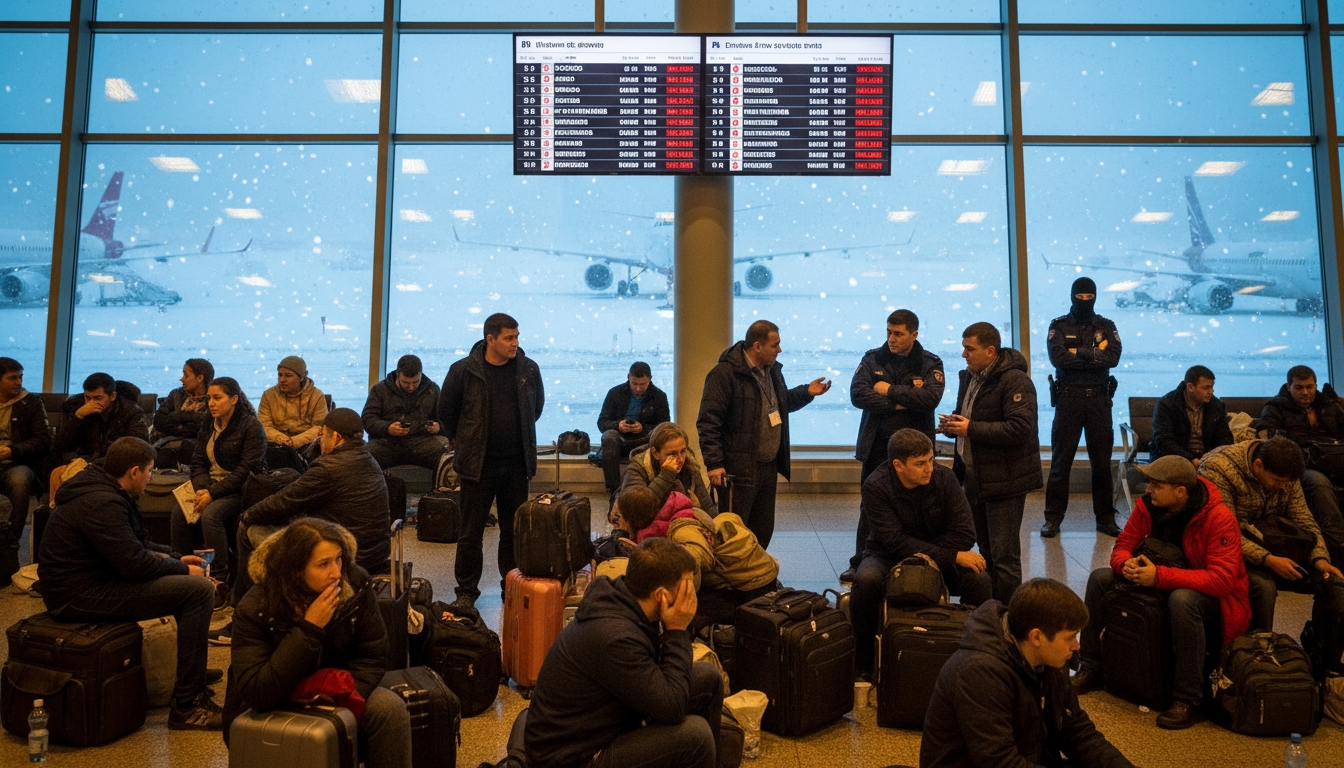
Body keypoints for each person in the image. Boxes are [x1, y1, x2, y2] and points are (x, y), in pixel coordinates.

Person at [37, 436, 223, 730]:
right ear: (134, 471)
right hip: (77, 594)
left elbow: (136, 544)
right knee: (197, 591)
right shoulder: (102, 502)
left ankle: (190, 672)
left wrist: (176, 557)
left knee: (184, 582)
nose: (150, 477)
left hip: (93, 581)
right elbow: (134, 563)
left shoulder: (105, 489)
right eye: (149, 471)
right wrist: (182, 569)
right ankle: (188, 705)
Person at [1073, 455, 1250, 730]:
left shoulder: (1218, 517)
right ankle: (1090, 668)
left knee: (1182, 600)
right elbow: (1124, 544)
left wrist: (1159, 577)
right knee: (1100, 578)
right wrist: (1125, 564)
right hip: (1160, 579)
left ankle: (1188, 698)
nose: (1148, 489)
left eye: (1157, 485)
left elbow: (1221, 580)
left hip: (1209, 595)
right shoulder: (1148, 506)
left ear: (1180, 491)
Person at [222, 517, 410, 768]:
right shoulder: (255, 607)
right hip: (272, 702)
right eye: (323, 564)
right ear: (296, 570)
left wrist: (340, 695)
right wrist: (309, 629)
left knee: (389, 709)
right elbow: (257, 691)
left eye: (338, 559)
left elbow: (373, 655)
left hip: (339, 690)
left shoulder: (355, 583)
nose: (336, 573)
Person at [525, 537, 723, 768]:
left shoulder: (625, 600)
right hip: (574, 756)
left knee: (708, 679)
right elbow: (673, 707)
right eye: (686, 589)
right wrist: (677, 630)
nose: (690, 598)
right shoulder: (615, 637)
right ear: (661, 596)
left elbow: (661, 677)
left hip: (605, 724)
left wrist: (675, 629)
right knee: (696, 736)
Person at [919, 578, 1135, 768]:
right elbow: (999, 762)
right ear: (1036, 637)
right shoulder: (979, 673)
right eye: (1070, 637)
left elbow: (1078, 732)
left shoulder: (1049, 660)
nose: (1076, 646)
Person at [851, 429, 992, 677]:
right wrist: (951, 556)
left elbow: (966, 534)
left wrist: (941, 556)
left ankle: (973, 656)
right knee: (865, 581)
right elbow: (894, 542)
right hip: (888, 555)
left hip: (940, 551)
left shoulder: (944, 478)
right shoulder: (875, 486)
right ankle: (864, 664)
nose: (929, 468)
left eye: (931, 460)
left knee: (979, 579)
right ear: (898, 465)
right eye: (920, 464)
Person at [230, 407, 390, 625]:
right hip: (374, 552)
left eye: (323, 434)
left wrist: (247, 514)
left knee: (250, 529)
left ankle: (245, 611)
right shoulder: (369, 459)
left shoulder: (329, 468)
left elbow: (284, 501)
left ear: (336, 437)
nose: (320, 439)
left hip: (348, 554)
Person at [437, 312, 544, 608]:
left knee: (513, 531)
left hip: (516, 465)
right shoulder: (464, 371)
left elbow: (535, 408)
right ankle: (466, 592)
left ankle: (510, 585)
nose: (515, 343)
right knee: (470, 533)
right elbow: (446, 412)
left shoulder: (528, 369)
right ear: (490, 339)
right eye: (509, 338)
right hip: (477, 466)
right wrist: (466, 438)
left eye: (517, 337)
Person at [696, 319, 831, 548]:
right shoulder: (725, 374)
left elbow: (781, 404)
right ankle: (734, 570)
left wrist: (807, 392)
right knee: (735, 532)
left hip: (768, 467)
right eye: (774, 345)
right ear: (757, 346)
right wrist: (714, 463)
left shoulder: (772, 371)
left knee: (763, 529)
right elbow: (708, 421)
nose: (779, 350)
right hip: (738, 470)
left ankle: (756, 567)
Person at [1198, 436, 1344, 634]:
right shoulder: (1217, 469)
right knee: (1263, 587)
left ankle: (1322, 650)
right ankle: (1257, 648)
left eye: (1287, 482)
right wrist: (1268, 560)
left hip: (1275, 544)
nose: (1283, 486)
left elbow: (1304, 519)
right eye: (1278, 481)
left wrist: (1319, 558)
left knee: (1332, 580)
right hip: (1233, 552)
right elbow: (1224, 534)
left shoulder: (1284, 472)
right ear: (1258, 465)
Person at [941, 322, 1042, 603]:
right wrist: (954, 425)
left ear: (990, 351)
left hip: (1005, 482)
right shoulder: (970, 377)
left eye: (969, 349)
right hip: (976, 480)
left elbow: (1020, 429)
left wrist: (969, 428)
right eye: (963, 348)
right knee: (986, 552)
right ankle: (990, 611)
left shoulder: (1016, 381)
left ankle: (1007, 615)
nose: (964, 354)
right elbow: (971, 417)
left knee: (1004, 558)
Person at [844, 309, 946, 582]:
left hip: (915, 450)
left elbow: (930, 399)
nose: (892, 338)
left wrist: (887, 390)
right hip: (878, 446)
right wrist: (899, 404)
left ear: (914, 334)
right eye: (889, 332)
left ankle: (916, 559)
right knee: (870, 505)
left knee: (919, 506)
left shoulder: (930, 362)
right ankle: (861, 561)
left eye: (898, 334)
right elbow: (858, 394)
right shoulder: (872, 359)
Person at [614, 485, 778, 631]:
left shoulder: (681, 529)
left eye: (619, 518)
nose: (617, 523)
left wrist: (658, 562)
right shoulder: (673, 513)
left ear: (632, 519)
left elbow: (697, 558)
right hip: (748, 578)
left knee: (680, 618)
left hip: (750, 590)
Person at [171, 376, 266, 610]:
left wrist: (211, 494)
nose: (211, 403)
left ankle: (220, 580)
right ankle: (183, 572)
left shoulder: (251, 426)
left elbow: (246, 470)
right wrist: (203, 488)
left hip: (241, 488)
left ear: (233, 399)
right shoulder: (209, 422)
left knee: (211, 515)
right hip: (210, 486)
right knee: (180, 512)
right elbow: (197, 462)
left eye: (217, 398)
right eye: (209, 398)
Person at [1042, 277, 1124, 538]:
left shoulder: (1106, 325)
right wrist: (1093, 356)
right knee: (1060, 463)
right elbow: (1059, 358)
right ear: (1072, 296)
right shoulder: (1059, 325)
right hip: (1069, 401)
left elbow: (1113, 357)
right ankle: (1053, 518)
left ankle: (1105, 518)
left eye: (1089, 297)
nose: (1085, 301)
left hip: (1099, 401)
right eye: (1081, 297)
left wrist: (1078, 353)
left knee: (1101, 464)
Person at [1253, 365, 1344, 562]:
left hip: (1335, 459)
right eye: (1299, 387)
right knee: (1319, 484)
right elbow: (1269, 440)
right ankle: (1337, 544)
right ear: (1289, 387)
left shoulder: (1328, 405)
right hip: (1301, 463)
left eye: (1310, 387)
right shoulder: (1276, 407)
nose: (1305, 392)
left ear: (1316, 385)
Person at [50, 372, 149, 504]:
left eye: (98, 398)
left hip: (113, 465)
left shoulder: (131, 412)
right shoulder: (75, 407)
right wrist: (78, 417)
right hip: (81, 460)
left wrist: (93, 465)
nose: (92, 403)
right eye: (87, 398)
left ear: (113, 396)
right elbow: (60, 445)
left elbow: (136, 447)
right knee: (57, 474)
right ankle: (56, 512)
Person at [0, 357, 50, 581]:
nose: (19, 382)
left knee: (20, 481)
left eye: (20, 377)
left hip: (17, 463)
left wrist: (11, 451)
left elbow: (42, 440)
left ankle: (10, 541)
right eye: (12, 378)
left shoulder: (31, 403)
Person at [597, 361, 671, 500]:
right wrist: (618, 425)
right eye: (634, 383)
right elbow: (602, 423)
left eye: (643, 384)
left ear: (650, 379)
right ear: (628, 377)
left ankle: (653, 489)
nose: (638, 388)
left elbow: (664, 427)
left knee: (658, 436)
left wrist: (643, 428)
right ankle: (614, 490)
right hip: (619, 439)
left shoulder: (659, 396)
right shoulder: (615, 393)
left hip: (644, 440)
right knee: (609, 436)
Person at [361, 353, 448, 472]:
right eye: (406, 382)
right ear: (398, 375)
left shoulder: (432, 389)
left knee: (448, 457)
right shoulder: (380, 390)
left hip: (421, 442)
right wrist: (387, 428)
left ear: (421, 375)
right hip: (387, 442)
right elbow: (367, 419)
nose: (411, 387)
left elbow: (446, 418)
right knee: (364, 457)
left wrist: (438, 427)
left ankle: (441, 484)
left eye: (415, 382)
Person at [622, 421, 717, 516]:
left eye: (683, 451)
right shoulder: (638, 468)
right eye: (672, 454)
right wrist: (665, 476)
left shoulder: (690, 464)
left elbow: (707, 506)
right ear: (655, 453)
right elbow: (635, 511)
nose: (680, 459)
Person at [1150, 365, 1233, 465]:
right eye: (1206, 388)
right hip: (1173, 459)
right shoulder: (1166, 404)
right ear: (1190, 387)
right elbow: (1164, 441)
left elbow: (1225, 438)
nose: (1211, 391)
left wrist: (1213, 459)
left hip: (1206, 459)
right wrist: (1191, 459)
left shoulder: (1216, 406)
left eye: (1212, 387)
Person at [258, 355, 328, 462]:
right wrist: (281, 439)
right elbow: (263, 425)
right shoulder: (269, 395)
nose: (282, 380)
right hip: (276, 445)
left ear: (301, 377)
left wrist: (294, 441)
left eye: (288, 376)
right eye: (280, 375)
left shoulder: (316, 396)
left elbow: (319, 427)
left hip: (307, 446)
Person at [151, 358, 214, 470]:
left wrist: (181, 416)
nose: (182, 379)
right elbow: (159, 421)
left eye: (186, 375)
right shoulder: (176, 395)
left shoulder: (214, 399)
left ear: (200, 378)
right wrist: (184, 427)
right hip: (169, 444)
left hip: (199, 449)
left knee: (189, 449)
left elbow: (209, 426)